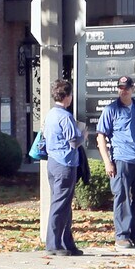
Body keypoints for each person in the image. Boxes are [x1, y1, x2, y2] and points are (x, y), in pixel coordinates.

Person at [97, 74, 135, 249]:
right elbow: (101, 137)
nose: (123, 91)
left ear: (132, 89)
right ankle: (121, 236)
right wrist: (108, 162)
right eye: (120, 88)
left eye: (127, 88)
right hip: (121, 159)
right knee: (121, 198)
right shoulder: (110, 110)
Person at [40, 79, 85, 256]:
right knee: (60, 204)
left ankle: (67, 243)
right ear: (66, 97)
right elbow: (74, 141)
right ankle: (53, 244)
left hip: (52, 163)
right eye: (71, 95)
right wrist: (84, 134)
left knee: (64, 204)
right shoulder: (65, 117)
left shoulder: (50, 114)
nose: (72, 98)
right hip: (65, 163)